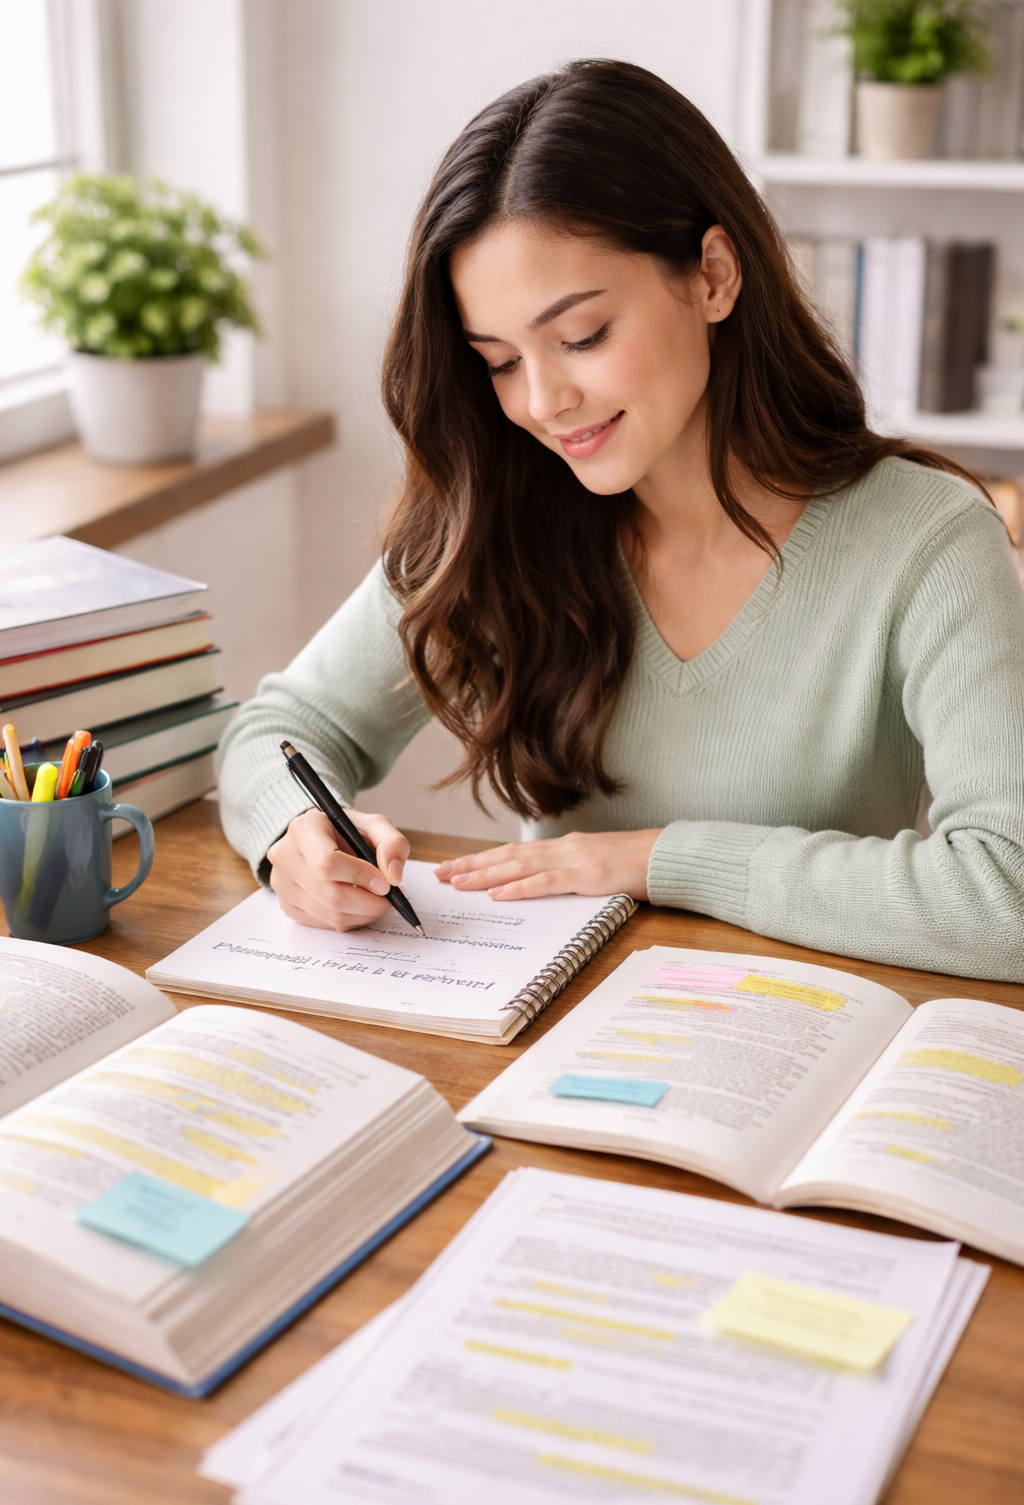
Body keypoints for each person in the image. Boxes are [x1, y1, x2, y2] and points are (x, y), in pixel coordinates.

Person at [218, 59, 1024, 982]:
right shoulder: (501, 519)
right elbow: (279, 727)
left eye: (582, 337)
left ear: (714, 275)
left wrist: (655, 860)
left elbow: (1007, 894)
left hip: (800, 1058)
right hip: (540, 1048)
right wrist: (295, 835)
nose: (544, 402)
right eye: (499, 361)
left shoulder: (929, 540)